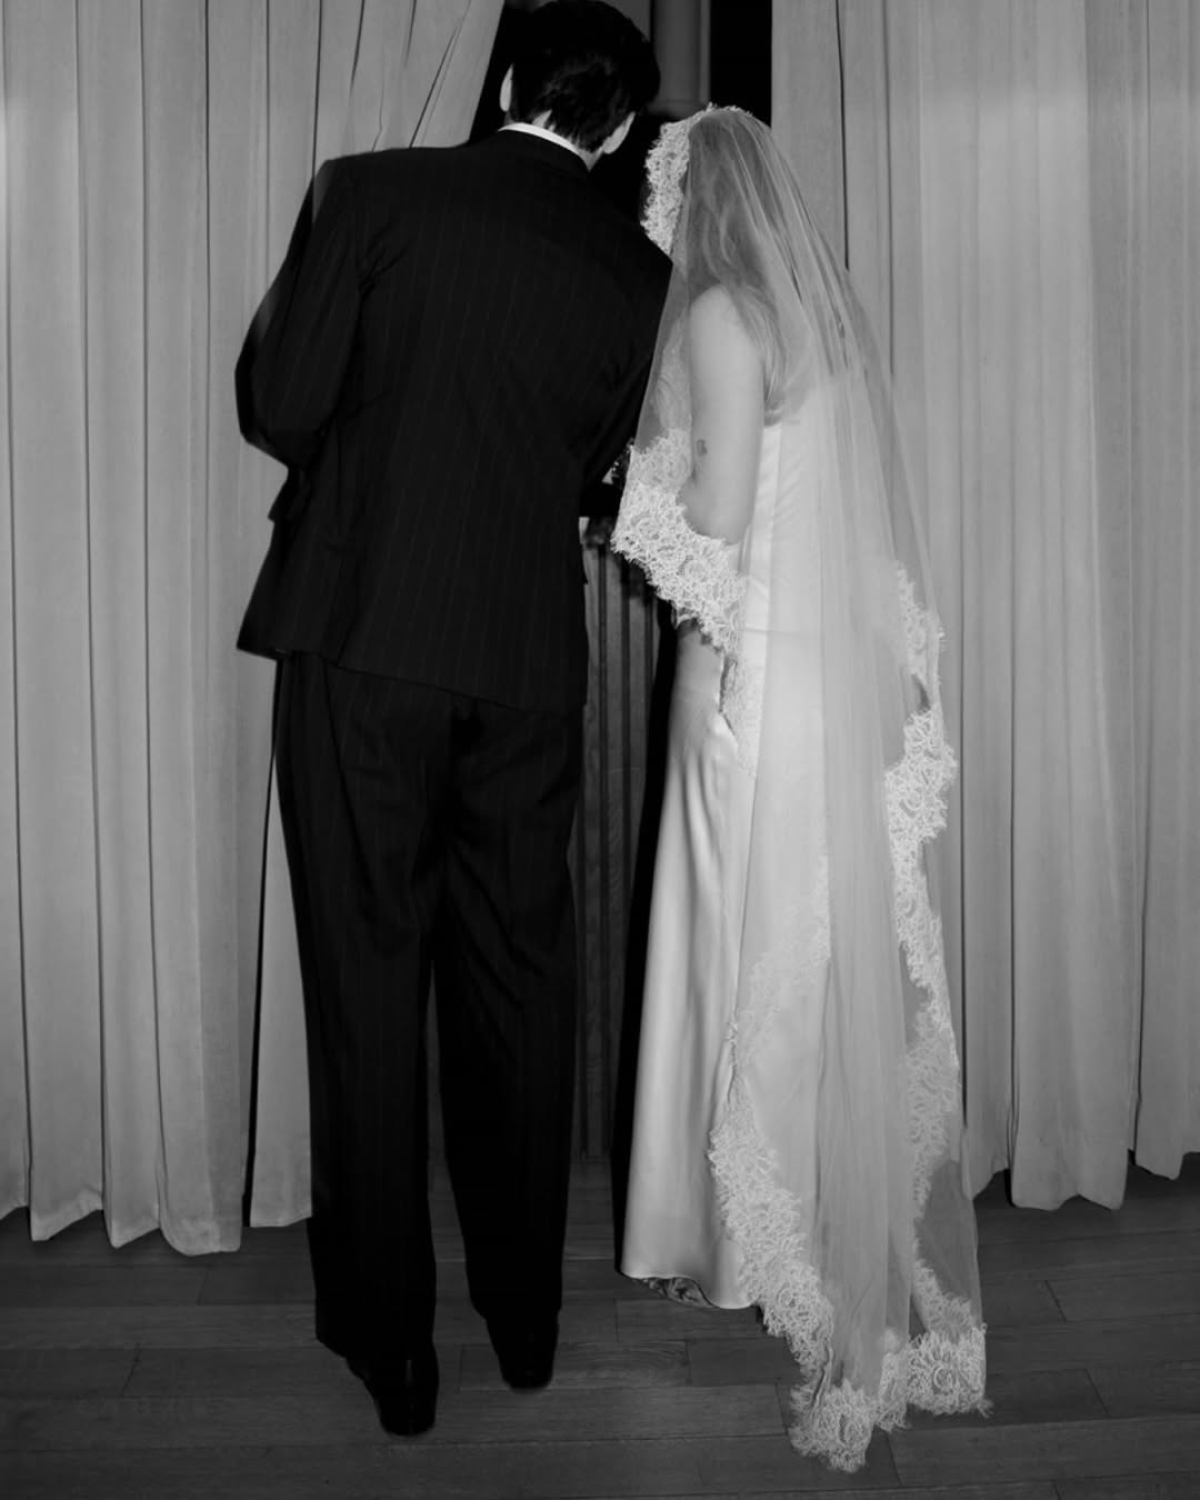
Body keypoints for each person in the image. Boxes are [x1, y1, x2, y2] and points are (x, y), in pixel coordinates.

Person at [237, 1, 669, 1439]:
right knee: (518, 983)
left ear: (505, 82)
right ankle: (527, 1320)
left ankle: (394, 1351)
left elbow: (279, 402)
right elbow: (597, 465)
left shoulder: (371, 193)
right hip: (527, 661)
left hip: (365, 639)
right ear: (619, 127)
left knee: (368, 980)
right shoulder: (640, 271)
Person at [612, 108, 988, 1472]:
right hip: (827, 677)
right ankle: (809, 1214)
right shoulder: (823, 321)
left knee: (733, 951)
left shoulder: (721, 315)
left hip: (746, 681)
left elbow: (712, 526)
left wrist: (629, 496)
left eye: (664, 191)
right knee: (804, 959)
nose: (657, 215)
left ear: (696, 199)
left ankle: (728, 1239)